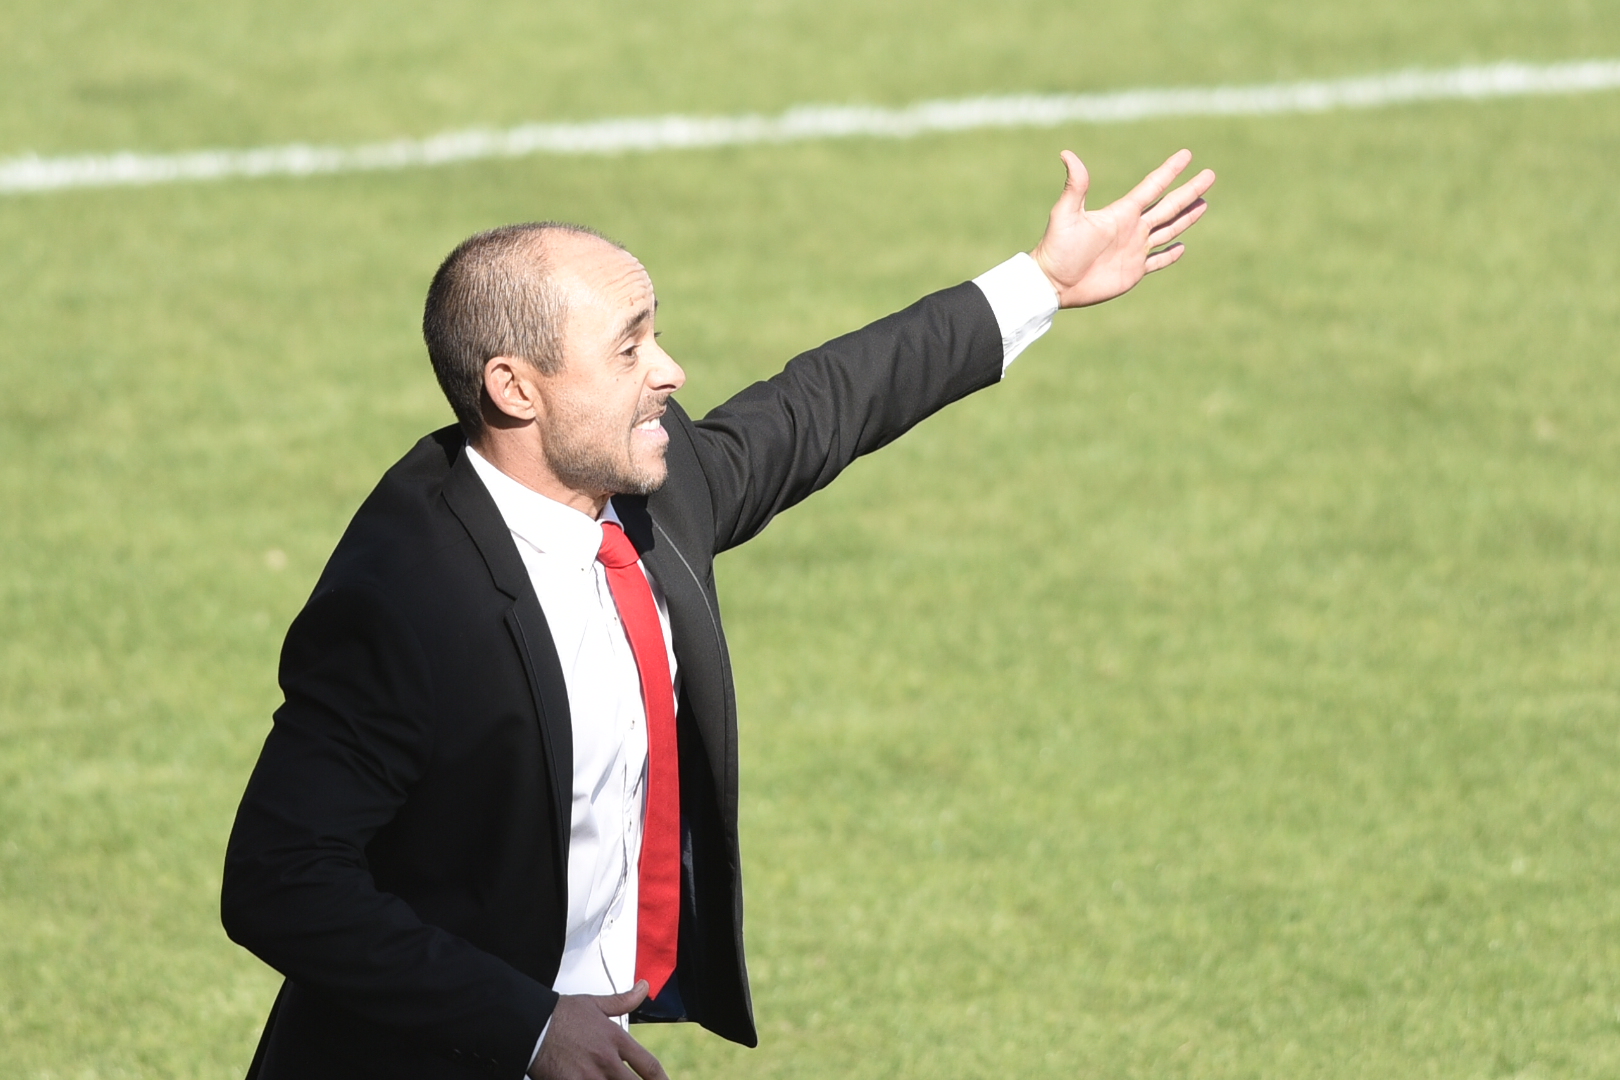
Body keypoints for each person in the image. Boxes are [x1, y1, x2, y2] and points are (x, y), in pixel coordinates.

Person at [221, 148, 1215, 1080]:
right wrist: (525, 1025)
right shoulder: (409, 599)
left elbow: (819, 407)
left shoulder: (648, 487)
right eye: (629, 348)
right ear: (515, 388)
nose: (670, 370)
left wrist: (1038, 282)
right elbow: (279, 879)